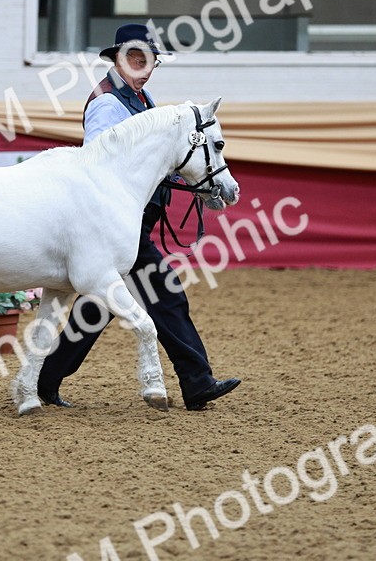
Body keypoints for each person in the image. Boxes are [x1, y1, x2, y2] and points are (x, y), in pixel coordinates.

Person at [37, 23, 241, 411]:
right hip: (114, 223)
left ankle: (46, 377)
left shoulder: (141, 97)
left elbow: (154, 154)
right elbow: (98, 163)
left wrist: (189, 175)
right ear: (116, 58)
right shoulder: (107, 104)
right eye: (135, 58)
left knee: (97, 307)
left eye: (149, 61)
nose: (144, 68)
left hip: (132, 220)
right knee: (165, 295)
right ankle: (197, 382)